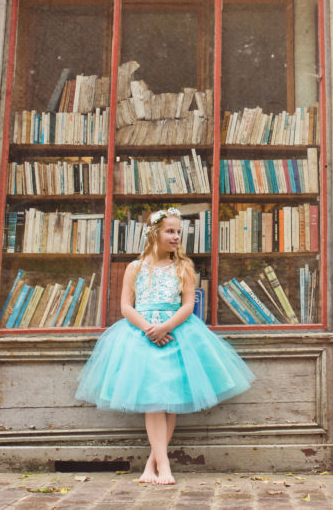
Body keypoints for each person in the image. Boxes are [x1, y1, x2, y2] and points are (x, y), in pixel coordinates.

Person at [75, 207, 255, 485]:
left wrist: (165, 327)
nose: (176, 237)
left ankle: (152, 465)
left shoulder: (183, 267)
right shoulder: (135, 268)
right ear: (154, 233)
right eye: (170, 231)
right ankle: (165, 465)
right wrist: (149, 329)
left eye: (178, 232)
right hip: (141, 335)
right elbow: (125, 306)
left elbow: (188, 305)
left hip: (177, 334)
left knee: (168, 402)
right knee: (154, 402)